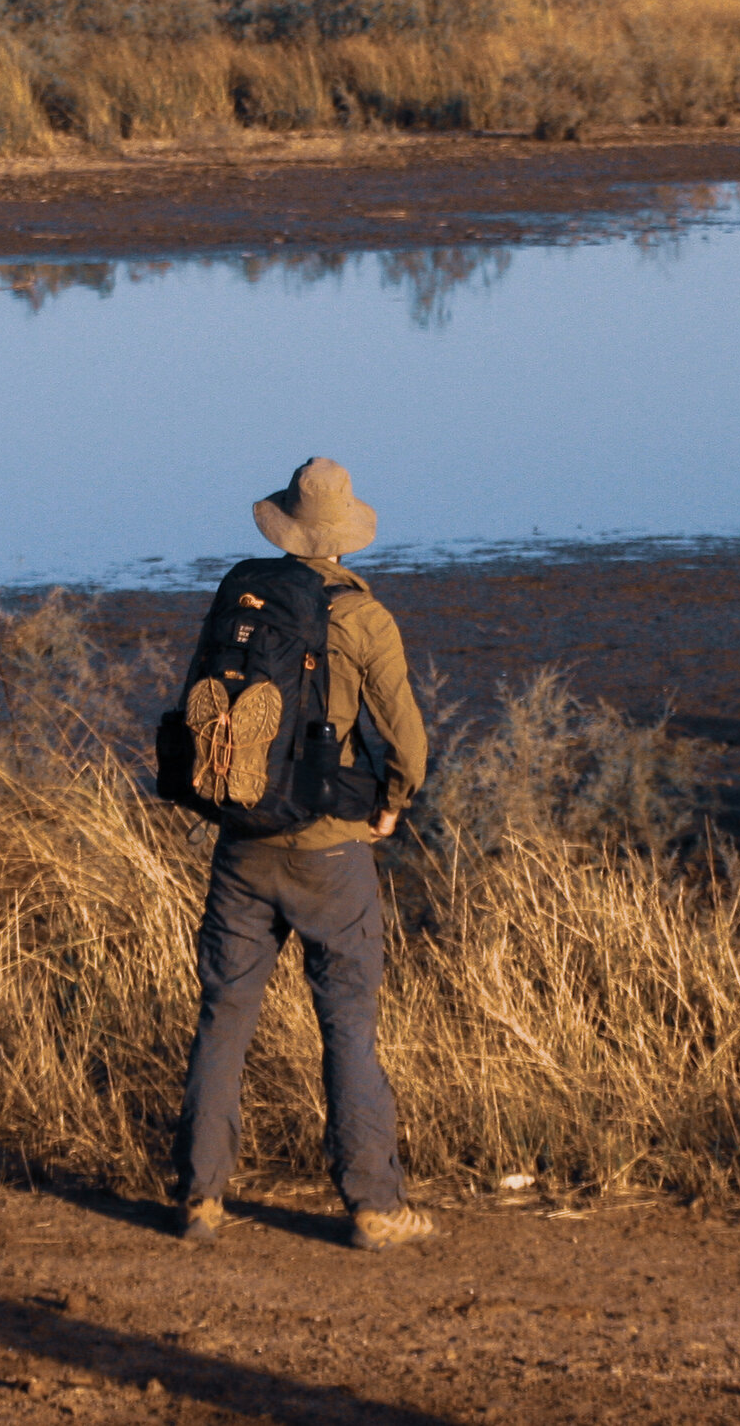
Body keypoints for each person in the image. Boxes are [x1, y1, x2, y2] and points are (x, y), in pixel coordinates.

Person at [172, 458, 432, 1252]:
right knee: (348, 1022)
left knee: (224, 1016)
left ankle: (200, 1200)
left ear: (285, 523)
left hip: (241, 842)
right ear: (346, 531)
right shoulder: (362, 617)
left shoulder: (241, 592)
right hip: (329, 853)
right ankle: (373, 1205)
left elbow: (195, 698)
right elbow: (408, 740)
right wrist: (391, 804)